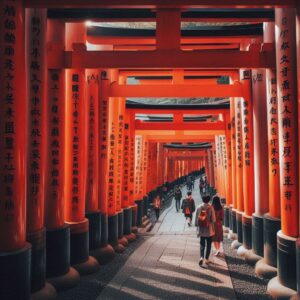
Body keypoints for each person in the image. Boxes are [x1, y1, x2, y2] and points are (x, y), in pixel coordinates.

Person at [195, 194, 216, 268]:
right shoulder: (211, 207)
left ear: (203, 199)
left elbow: (196, 219)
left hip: (201, 229)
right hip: (209, 229)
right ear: (209, 200)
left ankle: (201, 257)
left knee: (202, 243)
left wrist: (197, 226)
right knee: (209, 244)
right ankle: (207, 259)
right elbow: (213, 219)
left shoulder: (199, 207)